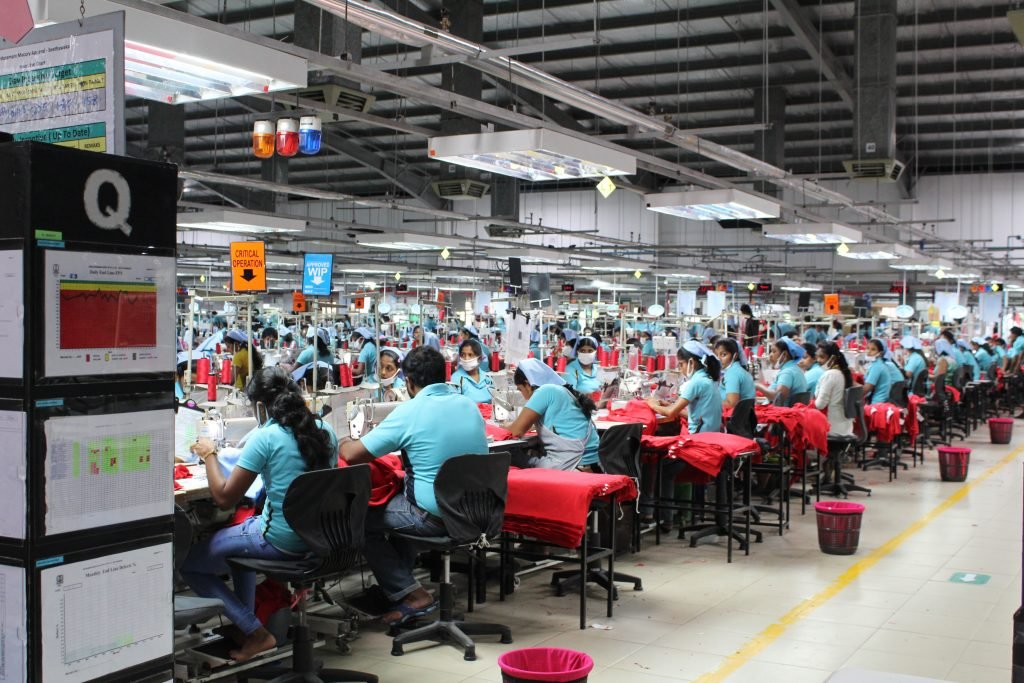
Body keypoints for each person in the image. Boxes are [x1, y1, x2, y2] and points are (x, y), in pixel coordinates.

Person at [183, 367, 338, 662]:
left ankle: (256, 633)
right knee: (239, 549)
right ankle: (245, 626)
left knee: (190, 564)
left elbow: (224, 498)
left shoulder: (266, 436)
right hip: (322, 537)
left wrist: (209, 455)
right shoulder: (325, 430)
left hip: (282, 540)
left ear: (259, 407)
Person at [339, 347, 488, 626]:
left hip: (436, 517)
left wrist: (343, 440)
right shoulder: (468, 405)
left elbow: (352, 455)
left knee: (359, 519)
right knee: (400, 503)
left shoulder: (410, 411)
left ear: (407, 382)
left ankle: (411, 592)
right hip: (477, 512)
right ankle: (400, 588)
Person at [643, 341, 722, 528]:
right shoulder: (709, 380)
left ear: (691, 363)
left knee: (660, 464)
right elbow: (694, 415)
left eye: (681, 364)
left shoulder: (694, 383)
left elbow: (670, 414)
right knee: (665, 464)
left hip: (698, 444)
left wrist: (652, 404)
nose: (680, 369)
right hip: (710, 438)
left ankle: (662, 519)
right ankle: (668, 517)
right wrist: (669, 406)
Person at [505, 358, 599, 471]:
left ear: (527, 384)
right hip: (592, 463)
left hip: (573, 464)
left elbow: (516, 431)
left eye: (520, 389)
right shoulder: (561, 391)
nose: (523, 396)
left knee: (513, 458)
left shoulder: (545, 391)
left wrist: (503, 426)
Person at [813, 343, 854, 437]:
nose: (818, 360)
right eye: (817, 357)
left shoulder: (830, 375)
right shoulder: (842, 372)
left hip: (832, 428)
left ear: (833, 358)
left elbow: (820, 405)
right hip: (845, 427)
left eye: (822, 357)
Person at [757, 338, 808, 406]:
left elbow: (778, 397)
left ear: (784, 354)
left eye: (774, 351)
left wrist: (758, 385)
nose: (770, 355)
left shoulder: (787, 372)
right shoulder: (794, 368)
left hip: (784, 410)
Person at [714, 338, 755, 409]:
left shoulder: (732, 374)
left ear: (735, 356)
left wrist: (711, 401)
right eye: (716, 355)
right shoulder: (739, 370)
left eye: (723, 355)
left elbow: (732, 404)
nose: (719, 359)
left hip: (733, 414)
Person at [450, 339, 494, 404]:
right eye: (463, 355)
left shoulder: (487, 378)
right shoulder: (456, 379)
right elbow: (455, 404)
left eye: (470, 355)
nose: (466, 358)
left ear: (479, 359)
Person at [862, 338, 894, 405]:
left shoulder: (877, 366)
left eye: (873, 349)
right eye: (867, 348)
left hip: (877, 403)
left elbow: (867, 388)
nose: (868, 351)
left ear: (880, 353)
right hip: (882, 400)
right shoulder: (878, 364)